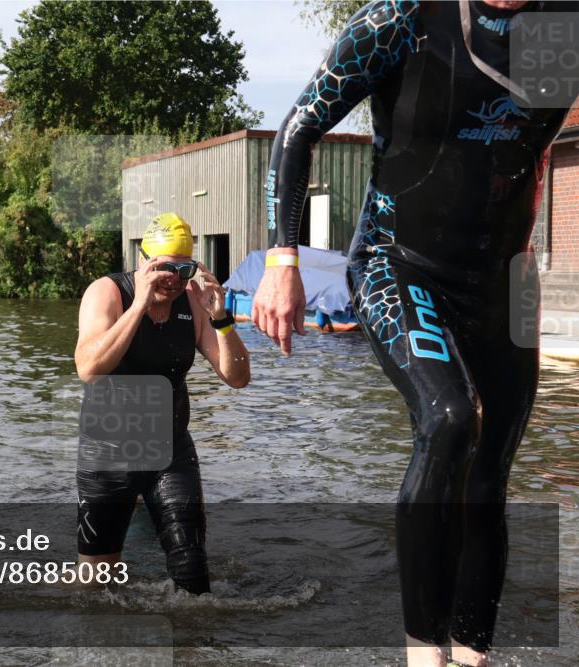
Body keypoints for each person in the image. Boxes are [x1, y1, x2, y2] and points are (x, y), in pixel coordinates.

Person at [251, 2, 579, 665]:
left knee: (489, 472)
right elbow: (299, 129)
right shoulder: (404, 18)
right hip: (398, 265)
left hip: (504, 281)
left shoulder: (563, 27)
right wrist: (282, 258)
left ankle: (473, 654)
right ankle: (422, 655)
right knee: (452, 417)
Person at [73, 212, 250, 595]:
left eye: (184, 270)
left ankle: (193, 649)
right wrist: (138, 305)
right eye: (164, 269)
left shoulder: (191, 302)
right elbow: (88, 368)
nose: (173, 280)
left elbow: (237, 378)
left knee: (192, 571)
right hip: (108, 452)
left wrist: (221, 318)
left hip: (170, 450)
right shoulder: (106, 292)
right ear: (144, 261)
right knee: (96, 585)